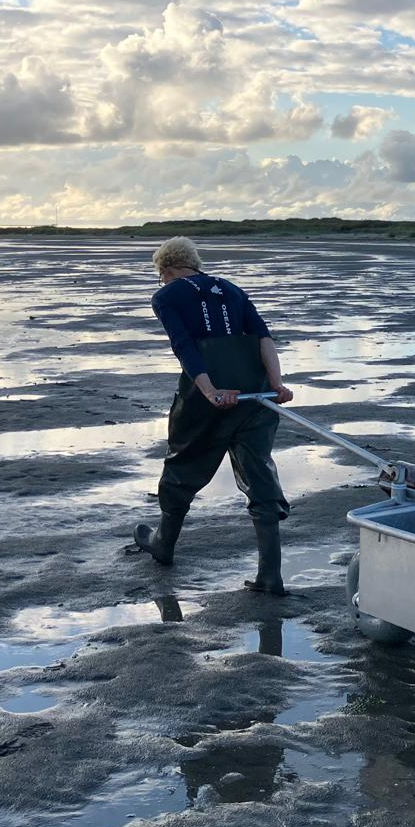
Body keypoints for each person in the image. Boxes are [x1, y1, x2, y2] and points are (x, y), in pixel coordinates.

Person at [130, 237, 295, 595]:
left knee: (181, 467)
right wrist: (277, 384)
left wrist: (209, 391)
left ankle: (163, 545)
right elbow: (263, 337)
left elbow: (184, 346)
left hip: (208, 400)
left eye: (161, 276)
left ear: (167, 270)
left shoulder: (166, 296)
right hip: (256, 396)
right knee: (260, 474)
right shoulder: (231, 289)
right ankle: (271, 574)